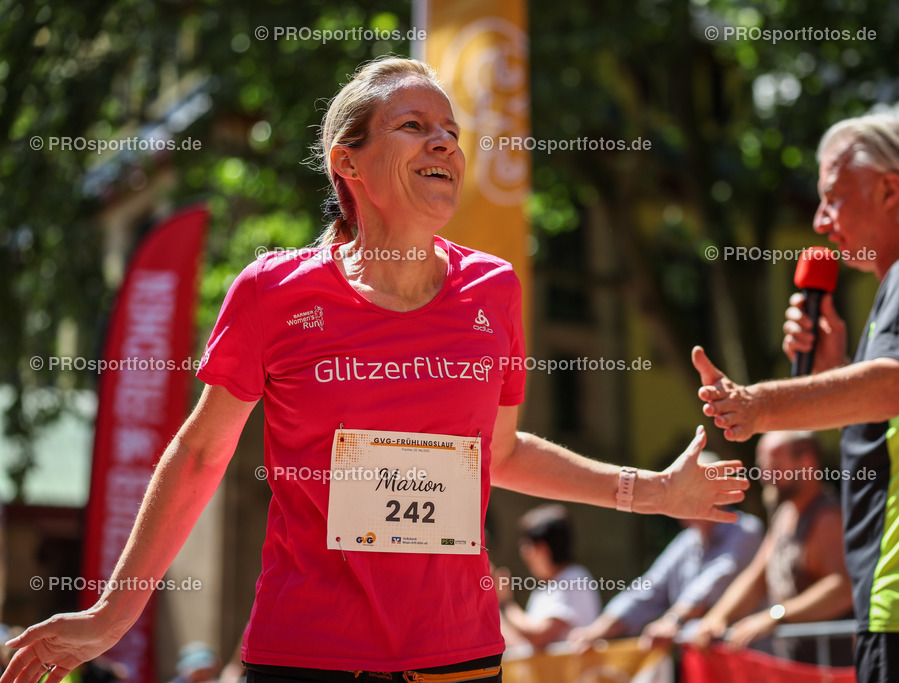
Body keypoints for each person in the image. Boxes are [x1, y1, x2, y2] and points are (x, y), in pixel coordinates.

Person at [1, 57, 748, 683]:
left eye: (452, 133)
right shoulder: (271, 292)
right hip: (307, 654)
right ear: (347, 162)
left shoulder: (494, 288)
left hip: (458, 655)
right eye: (415, 126)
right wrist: (115, 611)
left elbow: (502, 451)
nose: (445, 145)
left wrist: (647, 490)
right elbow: (199, 453)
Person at [692, 114, 899, 682]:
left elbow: (893, 387)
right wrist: (835, 371)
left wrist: (757, 403)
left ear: (889, 190)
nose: (821, 221)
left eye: (832, 198)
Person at [569, 453, 764, 651]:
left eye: (689, 491)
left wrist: (672, 621)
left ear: (718, 491)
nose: (679, 500)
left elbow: (713, 583)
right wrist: (598, 630)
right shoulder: (687, 540)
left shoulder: (746, 530)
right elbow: (649, 588)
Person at [689, 432, 853, 665]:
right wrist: (717, 618)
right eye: (762, 463)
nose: (765, 473)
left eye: (774, 462)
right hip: (798, 667)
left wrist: (774, 615)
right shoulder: (785, 515)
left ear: (806, 462)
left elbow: (843, 588)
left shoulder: (827, 519)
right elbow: (757, 577)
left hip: (833, 668)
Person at [495, 505, 601, 648]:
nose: (525, 556)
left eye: (527, 547)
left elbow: (539, 636)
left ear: (542, 549)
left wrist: (506, 602)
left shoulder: (574, 579)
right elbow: (521, 645)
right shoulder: (543, 590)